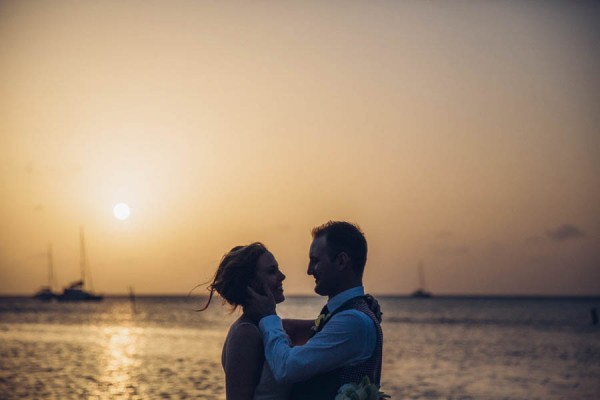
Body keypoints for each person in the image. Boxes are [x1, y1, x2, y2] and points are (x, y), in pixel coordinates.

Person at [245, 221, 383, 400]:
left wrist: (268, 316)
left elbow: (286, 368)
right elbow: (294, 329)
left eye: (315, 261)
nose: (309, 271)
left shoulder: (354, 321)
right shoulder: (344, 314)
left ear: (341, 261)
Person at [198, 242, 291, 400]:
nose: (282, 276)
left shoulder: (265, 326)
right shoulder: (246, 334)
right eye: (272, 271)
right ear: (251, 283)